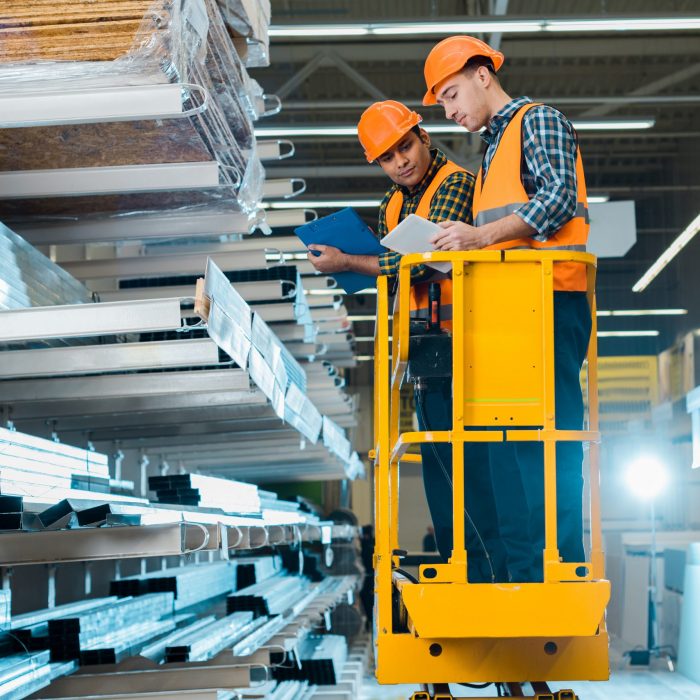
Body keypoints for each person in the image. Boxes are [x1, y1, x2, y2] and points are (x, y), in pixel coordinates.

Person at [307, 100, 506, 583]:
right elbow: (394, 269)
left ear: (424, 138)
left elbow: (427, 260)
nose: (401, 161)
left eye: (406, 146)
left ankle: (486, 573)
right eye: (388, 157)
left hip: (462, 340)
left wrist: (351, 263)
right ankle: (456, 566)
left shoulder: (454, 182)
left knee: (470, 464)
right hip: (420, 345)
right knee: (438, 462)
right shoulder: (391, 203)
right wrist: (363, 262)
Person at [422, 36, 592, 582]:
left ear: (483, 76)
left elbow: (559, 196)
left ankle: (560, 567)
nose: (450, 112)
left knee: (551, 440)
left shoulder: (537, 121)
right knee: (511, 443)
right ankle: (523, 571)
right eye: (443, 105)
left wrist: (479, 237)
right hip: (512, 309)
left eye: (451, 96)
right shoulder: (494, 146)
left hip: (550, 300)